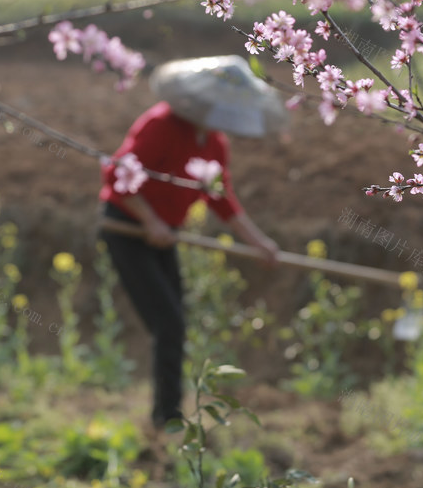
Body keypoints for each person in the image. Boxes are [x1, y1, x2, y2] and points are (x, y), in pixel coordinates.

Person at [98, 55, 285, 432]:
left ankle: (167, 415)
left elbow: (221, 197)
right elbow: (118, 173)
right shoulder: (161, 125)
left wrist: (259, 242)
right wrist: (150, 221)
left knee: (174, 324)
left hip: (163, 233)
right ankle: (167, 420)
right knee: (169, 325)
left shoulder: (214, 143)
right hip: (128, 228)